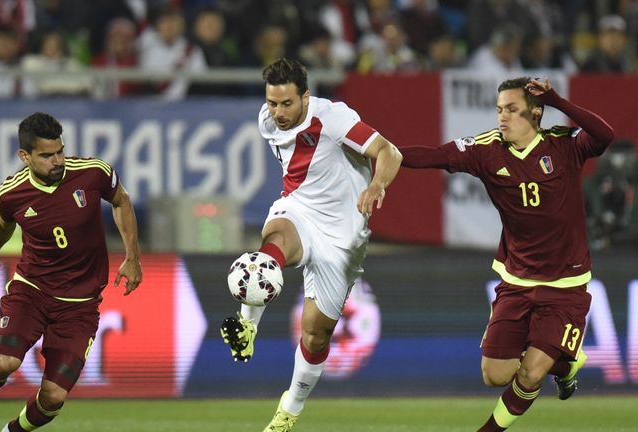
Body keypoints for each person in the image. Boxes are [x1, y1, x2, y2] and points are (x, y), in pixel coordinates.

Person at [397, 77, 614, 431]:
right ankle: (566, 363)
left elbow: (605, 135)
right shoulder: (488, 149)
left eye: (512, 110)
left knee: (530, 373)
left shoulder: (563, 146)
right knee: (494, 375)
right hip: (517, 280)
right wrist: (383, 151)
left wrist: (558, 99)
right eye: (499, 110)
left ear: (535, 112)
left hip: (565, 284)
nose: (502, 118)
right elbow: (434, 155)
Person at [220, 58, 402, 432]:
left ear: (306, 96)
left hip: (343, 237)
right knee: (270, 246)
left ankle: (290, 408)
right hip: (300, 210)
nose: (279, 112)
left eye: (287, 103)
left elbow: (389, 152)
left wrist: (377, 185)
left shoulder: (334, 118)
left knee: (315, 335)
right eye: (272, 103)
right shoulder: (266, 121)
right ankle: (248, 324)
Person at [0, 112, 142, 432]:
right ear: (25, 156)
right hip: (32, 291)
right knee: (4, 363)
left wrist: (133, 256)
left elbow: (121, 201)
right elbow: (2, 223)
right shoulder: (12, 192)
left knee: (54, 397)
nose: (57, 160)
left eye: (60, 151)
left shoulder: (92, 173)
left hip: (81, 304)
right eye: (47, 155)